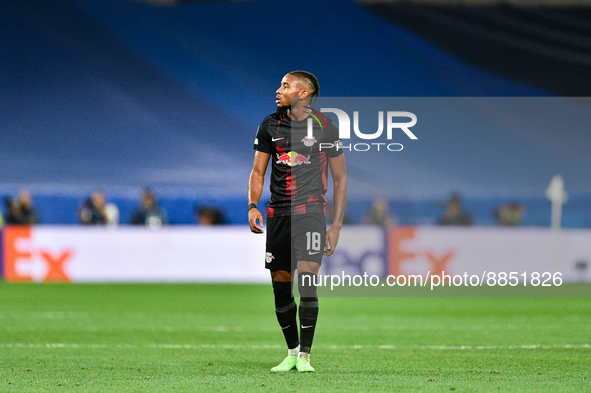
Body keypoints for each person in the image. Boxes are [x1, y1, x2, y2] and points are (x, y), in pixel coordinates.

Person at [248, 71, 347, 373]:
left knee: (306, 280)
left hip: (312, 213)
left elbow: (340, 177)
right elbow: (257, 173)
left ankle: (305, 356)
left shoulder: (325, 126)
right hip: (278, 214)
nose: (278, 90)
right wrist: (252, 205)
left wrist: (336, 225)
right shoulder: (269, 125)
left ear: (303, 94)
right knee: (280, 283)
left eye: (286, 86)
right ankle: (291, 351)